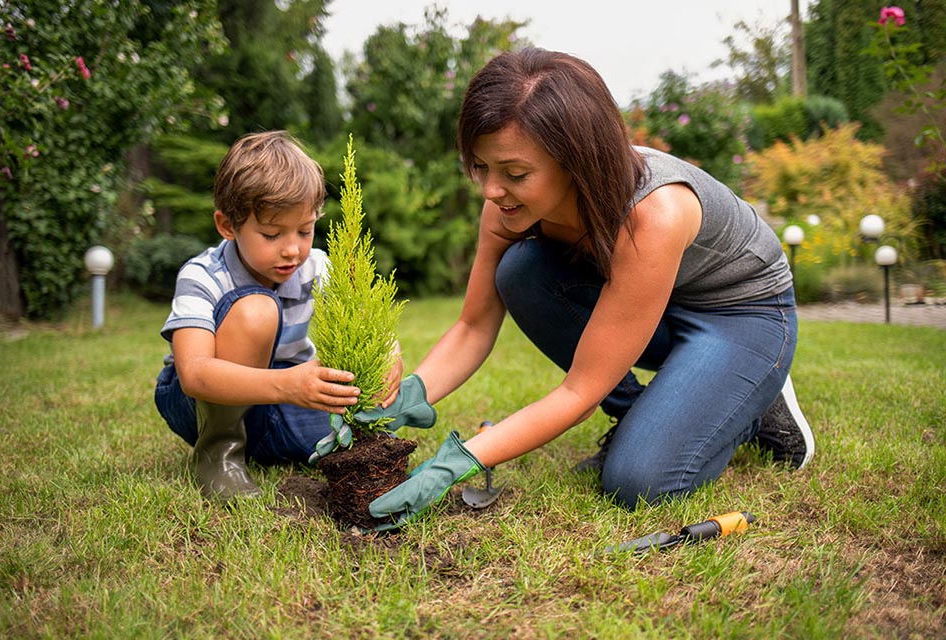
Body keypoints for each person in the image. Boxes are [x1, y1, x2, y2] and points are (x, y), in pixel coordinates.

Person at [365, 49, 815, 528]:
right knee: (519, 270)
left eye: (515, 174)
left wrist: (457, 462)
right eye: (482, 168)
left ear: (576, 161)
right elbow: (473, 326)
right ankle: (645, 412)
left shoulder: (652, 214)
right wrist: (408, 398)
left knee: (640, 481)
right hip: (649, 307)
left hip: (741, 316)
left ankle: (752, 404)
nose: (491, 191)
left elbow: (579, 392)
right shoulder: (505, 207)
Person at [154, 130, 416, 503]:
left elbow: (362, 319)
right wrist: (288, 384)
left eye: (305, 230)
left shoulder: (318, 267)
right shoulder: (202, 276)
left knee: (367, 428)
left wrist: (389, 350)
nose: (292, 250)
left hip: (278, 401)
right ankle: (220, 453)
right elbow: (194, 375)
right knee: (257, 309)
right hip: (201, 403)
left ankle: (266, 446)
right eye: (272, 234)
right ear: (228, 226)